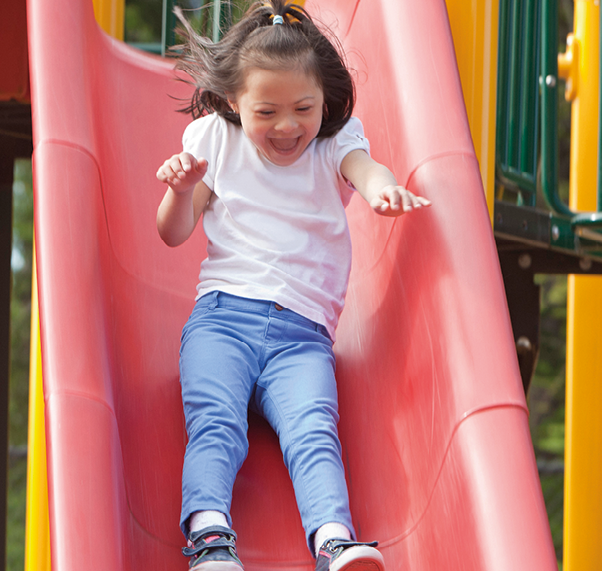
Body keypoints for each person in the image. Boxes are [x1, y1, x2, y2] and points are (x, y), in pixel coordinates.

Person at [156, 1, 431, 570]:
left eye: (304, 108)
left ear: (324, 102)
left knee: (313, 432)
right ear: (235, 102)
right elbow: (172, 234)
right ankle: (210, 538)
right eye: (267, 111)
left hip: (300, 338)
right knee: (216, 423)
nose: (287, 126)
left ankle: (333, 540)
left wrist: (384, 190)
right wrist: (180, 191)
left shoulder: (332, 143)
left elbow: (365, 168)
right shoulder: (212, 140)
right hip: (221, 320)